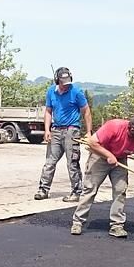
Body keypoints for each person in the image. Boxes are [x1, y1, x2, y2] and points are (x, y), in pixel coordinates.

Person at [71, 115, 134, 238]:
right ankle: (78, 222)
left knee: (120, 190)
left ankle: (116, 225)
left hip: (120, 159)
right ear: (132, 130)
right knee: (90, 189)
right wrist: (108, 155)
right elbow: (92, 143)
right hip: (99, 156)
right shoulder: (114, 126)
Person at [35, 66, 92, 202]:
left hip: (72, 130)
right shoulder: (51, 92)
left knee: (72, 162)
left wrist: (89, 132)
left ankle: (76, 192)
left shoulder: (76, 91)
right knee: (49, 162)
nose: (66, 85)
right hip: (55, 130)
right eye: (63, 82)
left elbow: (86, 111)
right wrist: (47, 129)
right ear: (57, 80)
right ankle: (43, 190)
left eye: (67, 82)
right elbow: (48, 111)